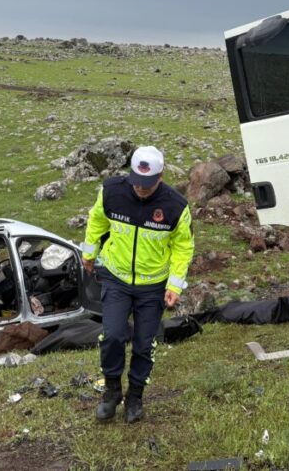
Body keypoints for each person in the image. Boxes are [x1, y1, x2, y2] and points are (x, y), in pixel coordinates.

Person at [81, 145, 194, 424]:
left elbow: (183, 247)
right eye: (137, 183)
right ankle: (111, 392)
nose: (141, 189)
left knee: (144, 345)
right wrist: (88, 253)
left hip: (153, 286)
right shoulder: (111, 191)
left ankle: (135, 396)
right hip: (116, 278)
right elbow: (96, 221)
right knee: (113, 336)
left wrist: (174, 285)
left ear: (161, 177)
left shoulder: (176, 207)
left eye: (148, 184)